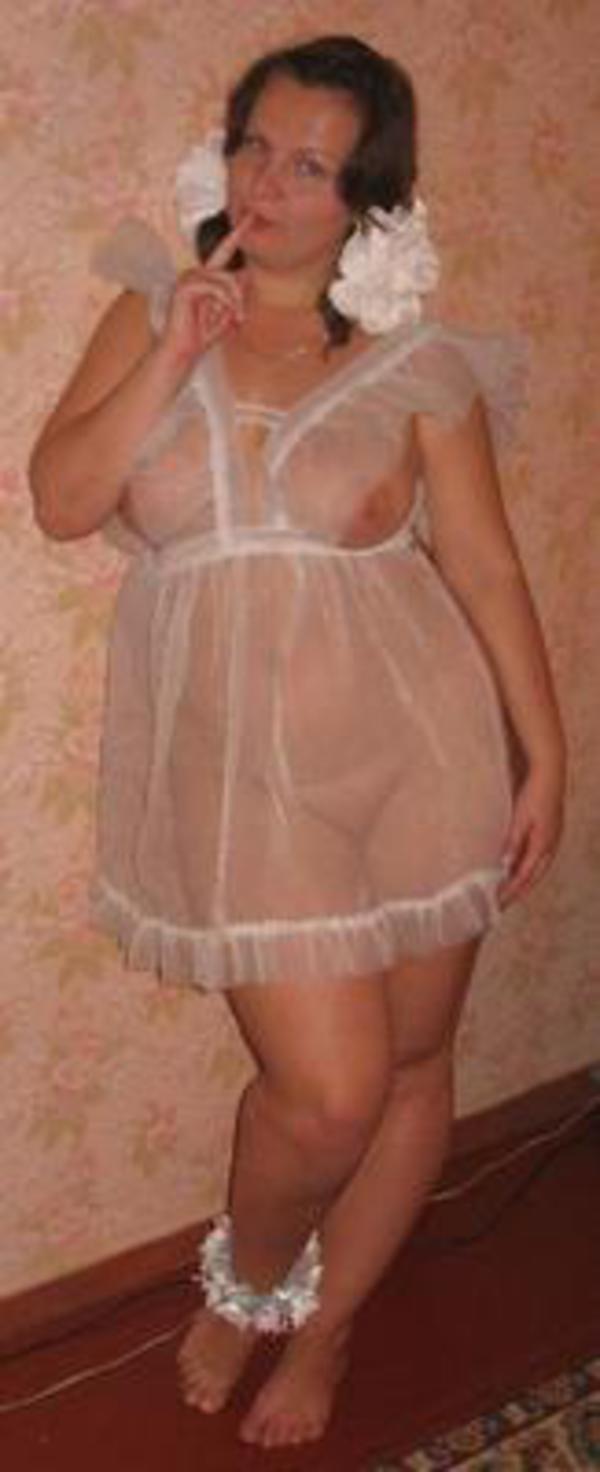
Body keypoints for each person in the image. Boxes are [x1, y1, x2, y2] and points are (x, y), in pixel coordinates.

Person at [30, 34, 565, 1451]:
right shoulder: (153, 311)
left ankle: (328, 1332)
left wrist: (548, 755)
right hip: (243, 790)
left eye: (311, 166)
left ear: (366, 199)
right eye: (255, 145)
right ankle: (253, 1279)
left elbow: (488, 568)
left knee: (413, 1066)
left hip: (422, 760)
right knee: (325, 1096)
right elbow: (64, 501)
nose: (268, 183)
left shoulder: (418, 363)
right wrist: (178, 351)